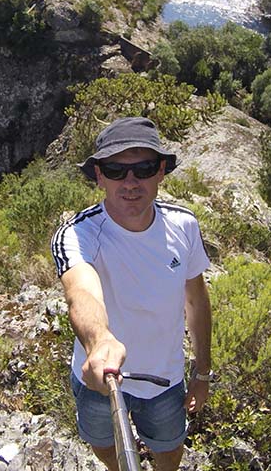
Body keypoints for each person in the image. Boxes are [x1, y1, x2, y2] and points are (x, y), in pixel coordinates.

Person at [51, 116, 212, 471]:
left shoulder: (184, 225)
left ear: (161, 172)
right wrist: (100, 340)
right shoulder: (78, 234)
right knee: (103, 445)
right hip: (98, 381)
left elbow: (196, 301)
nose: (130, 182)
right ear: (99, 176)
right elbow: (81, 291)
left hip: (164, 383)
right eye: (115, 169)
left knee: (169, 454)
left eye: (143, 168)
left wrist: (202, 374)